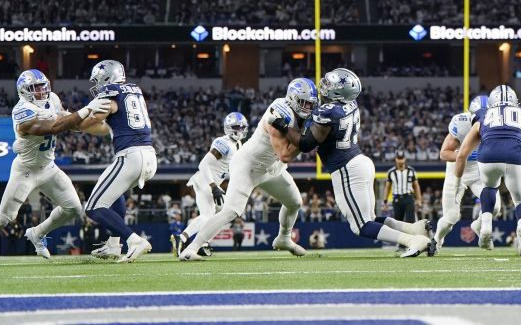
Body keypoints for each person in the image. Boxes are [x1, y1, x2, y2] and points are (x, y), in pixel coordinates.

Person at [0, 70, 111, 267]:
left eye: (43, 85)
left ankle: (38, 233)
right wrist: (86, 109)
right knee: (5, 218)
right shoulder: (22, 110)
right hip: (26, 170)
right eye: (35, 88)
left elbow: (70, 123)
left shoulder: (52, 99)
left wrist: (102, 127)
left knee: (73, 208)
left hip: (48, 167)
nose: (41, 91)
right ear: (23, 91)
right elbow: (53, 128)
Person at [279, 69, 434, 256]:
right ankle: (414, 229)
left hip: (346, 168)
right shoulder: (351, 104)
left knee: (360, 226)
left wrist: (284, 126)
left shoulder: (327, 112)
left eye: (330, 84)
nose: (325, 86)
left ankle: (413, 240)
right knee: (370, 218)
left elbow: (305, 144)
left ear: (339, 92)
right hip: (360, 162)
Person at [179, 79, 310, 260]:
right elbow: (285, 155)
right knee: (231, 211)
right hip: (248, 165)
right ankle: (191, 248)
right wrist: (306, 141)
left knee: (295, 202)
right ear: (293, 98)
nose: (308, 107)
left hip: (271, 169)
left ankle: (284, 238)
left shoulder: (303, 116)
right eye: (304, 103)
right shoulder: (279, 111)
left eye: (311, 103)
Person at [454, 85, 521, 256]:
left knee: (489, 187)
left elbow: (461, 155)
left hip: (487, 156)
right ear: (514, 100)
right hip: (515, 156)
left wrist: (458, 183)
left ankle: (487, 221)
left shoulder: (482, 114)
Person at [85, 60, 158, 263]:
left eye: (98, 80)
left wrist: (69, 118)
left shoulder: (110, 91)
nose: (97, 85)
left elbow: (92, 119)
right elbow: (101, 128)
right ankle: (114, 245)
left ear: (107, 77)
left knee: (93, 207)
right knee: (114, 194)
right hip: (148, 155)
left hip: (131, 155)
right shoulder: (133, 90)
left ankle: (134, 240)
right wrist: (78, 124)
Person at [174, 112, 248, 256]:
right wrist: (213, 186)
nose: (239, 130)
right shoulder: (224, 143)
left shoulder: (237, 144)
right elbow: (203, 164)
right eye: (236, 127)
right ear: (228, 128)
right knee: (210, 215)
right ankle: (183, 238)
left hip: (213, 183)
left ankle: (201, 242)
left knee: (225, 214)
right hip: (206, 181)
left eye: (241, 127)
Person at [433, 96, 502, 250]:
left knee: (495, 206)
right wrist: (465, 155)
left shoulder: (499, 125)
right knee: (451, 217)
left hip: (479, 172)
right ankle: (436, 239)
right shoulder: (462, 123)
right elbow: (444, 153)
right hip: (457, 171)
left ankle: (477, 226)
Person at [384, 151, 421, 226]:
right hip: (397, 198)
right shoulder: (391, 172)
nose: (400, 161)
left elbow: (416, 186)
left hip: (408, 197)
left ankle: (410, 237)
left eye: (402, 158)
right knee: (398, 222)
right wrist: (385, 201)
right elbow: (387, 187)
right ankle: (399, 237)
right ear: (395, 159)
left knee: (410, 220)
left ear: (405, 159)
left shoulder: (411, 171)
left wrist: (419, 200)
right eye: (399, 158)